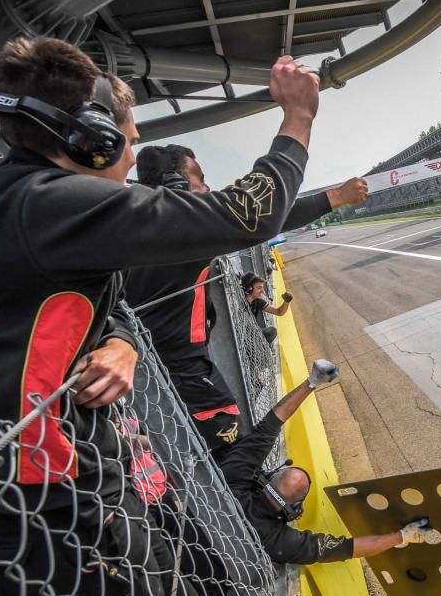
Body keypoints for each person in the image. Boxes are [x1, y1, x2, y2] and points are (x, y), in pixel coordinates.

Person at [0, 35, 319, 596]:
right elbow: (247, 215)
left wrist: (121, 342)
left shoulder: (16, 207)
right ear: (91, 139)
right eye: (126, 140)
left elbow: (103, 302)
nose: (131, 157)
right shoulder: (47, 205)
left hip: (70, 496)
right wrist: (298, 117)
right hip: (63, 514)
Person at [124, 146, 367, 464]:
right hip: (183, 372)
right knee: (225, 458)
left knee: (185, 449)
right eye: (200, 179)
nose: (207, 189)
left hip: (149, 370)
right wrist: (335, 197)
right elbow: (261, 217)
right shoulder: (182, 230)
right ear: (176, 184)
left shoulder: (132, 225)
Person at [224, 358, 431, 564]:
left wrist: (312, 382)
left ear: (269, 479)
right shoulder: (277, 540)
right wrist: (403, 536)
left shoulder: (232, 478)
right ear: (294, 509)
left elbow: (272, 422)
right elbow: (349, 548)